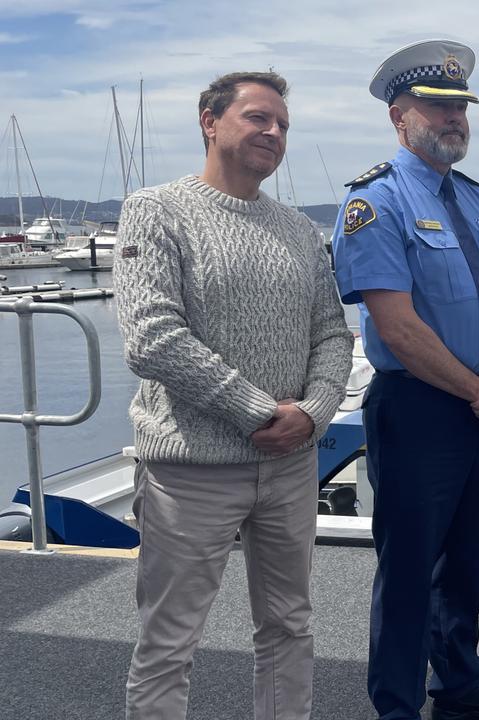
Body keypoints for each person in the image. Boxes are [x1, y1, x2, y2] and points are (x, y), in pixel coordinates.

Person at [115, 71, 354, 719]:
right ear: (209, 121)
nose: (273, 132)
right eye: (257, 118)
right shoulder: (155, 211)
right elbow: (151, 337)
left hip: (288, 465)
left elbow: (332, 333)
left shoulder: (301, 231)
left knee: (289, 628)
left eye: (282, 124)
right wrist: (256, 410)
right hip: (190, 470)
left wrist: (312, 412)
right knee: (169, 642)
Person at [330, 40, 479, 719]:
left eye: (460, 107)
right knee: (409, 572)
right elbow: (398, 328)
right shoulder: (375, 202)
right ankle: (395, 705)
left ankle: (459, 685)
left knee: (467, 560)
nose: (453, 118)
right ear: (400, 117)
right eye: (437, 106)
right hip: (420, 408)